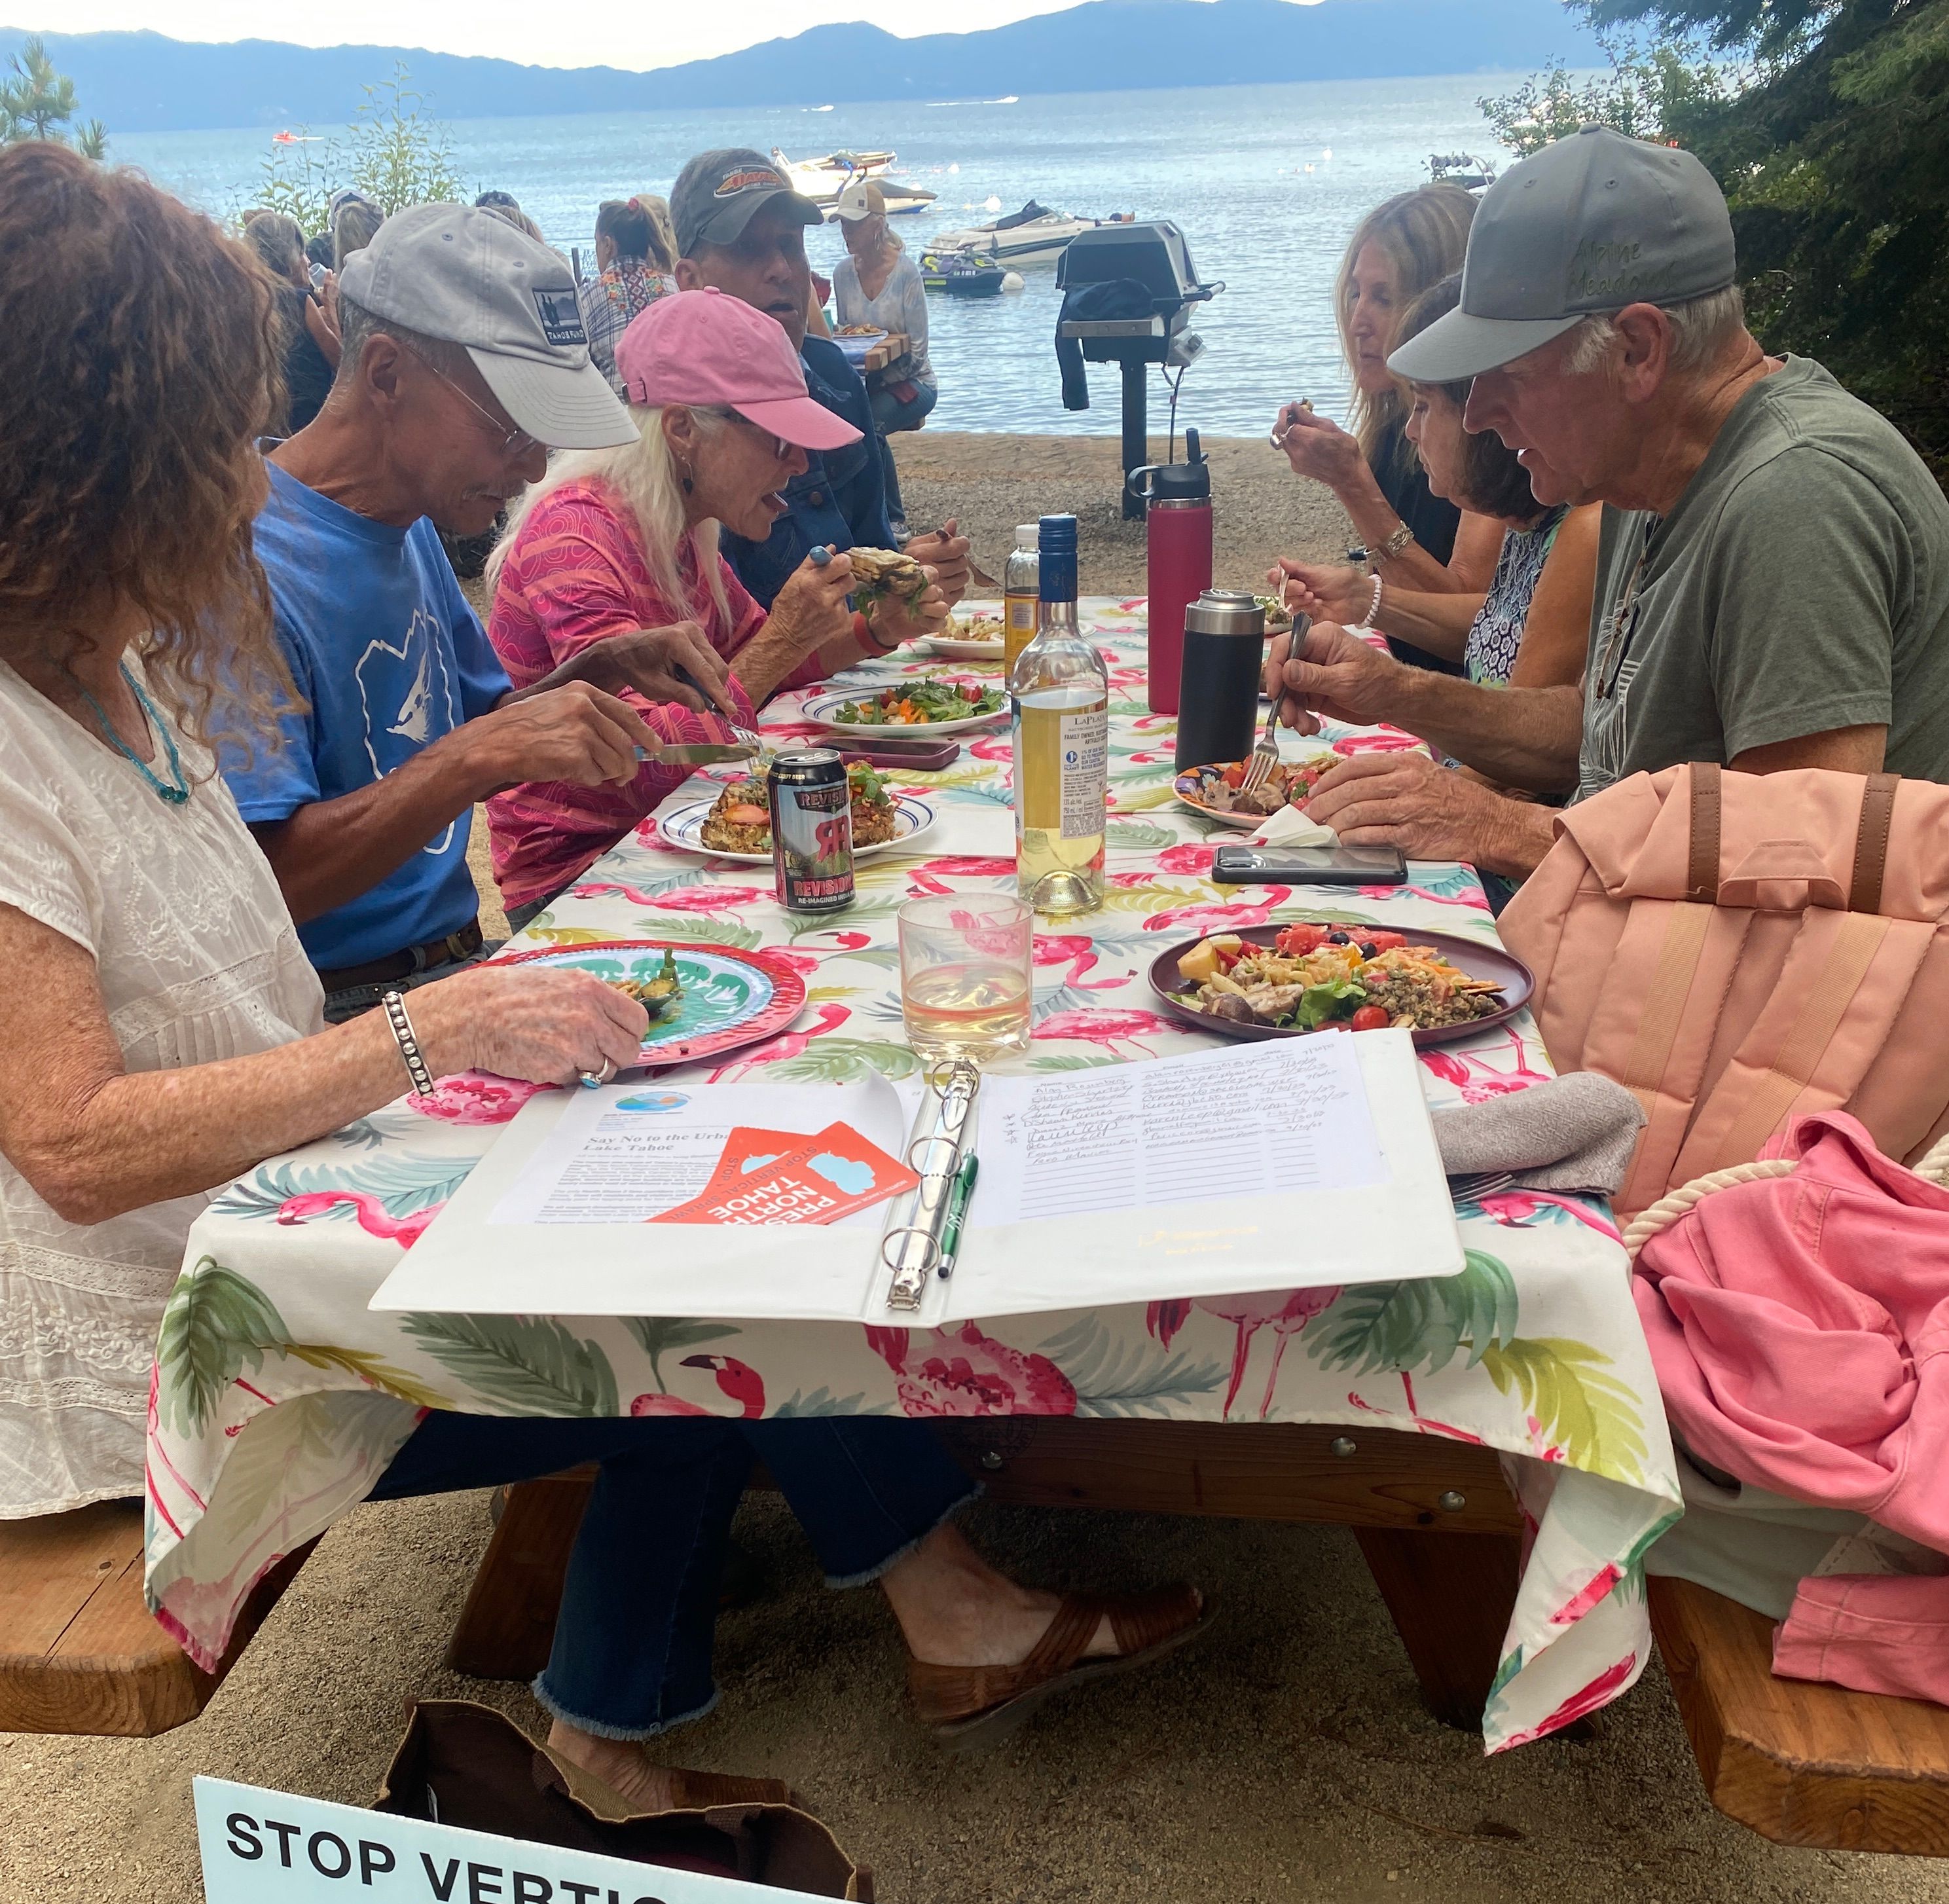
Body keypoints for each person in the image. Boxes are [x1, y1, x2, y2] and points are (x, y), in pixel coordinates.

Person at [0, 147, 1204, 1797]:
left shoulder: (122, 657)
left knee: (708, 1191)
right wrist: (424, 1031)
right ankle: (716, 1695)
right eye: (210, 439)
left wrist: (544, 730)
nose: (243, 474)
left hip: (278, 1205)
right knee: (695, 1279)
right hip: (198, 1329)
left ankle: (757, 1670)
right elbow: (67, 1143)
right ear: (87, 461)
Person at [1271, 127, 1949, 883]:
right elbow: (1599, 734)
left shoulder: (1799, 494)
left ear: (1638, 348)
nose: (1476, 414)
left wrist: (1494, 823)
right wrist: (1393, 689)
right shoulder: (1642, 475)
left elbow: (1801, 859)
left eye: (1505, 371)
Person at [219, 202, 738, 1024]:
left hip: (455, 965)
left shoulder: (409, 520)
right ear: (386, 374)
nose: (534, 463)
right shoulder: (243, 566)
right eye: (512, 426)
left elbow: (487, 729)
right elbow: (263, 882)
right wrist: (473, 755)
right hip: (343, 1011)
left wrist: (590, 672)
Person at [486, 289, 939, 920]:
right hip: (580, 872)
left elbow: (760, 670)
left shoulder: (681, 527)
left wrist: (878, 628)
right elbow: (648, 759)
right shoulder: (574, 539)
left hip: (672, 833)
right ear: (682, 430)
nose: (803, 462)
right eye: (779, 440)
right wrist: (784, 636)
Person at [669, 145, 970, 613]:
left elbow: (871, 551)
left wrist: (908, 573)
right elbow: (720, 644)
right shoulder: (677, 422)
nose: (783, 269)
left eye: (791, 244)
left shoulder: (837, 380)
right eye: (749, 249)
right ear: (689, 279)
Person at [1278, 274, 1599, 703]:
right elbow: (1491, 621)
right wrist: (1363, 598)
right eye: (1354, 293)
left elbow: (1525, 742)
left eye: (1424, 406)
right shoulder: (1530, 526)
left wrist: (1391, 691)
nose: (1412, 430)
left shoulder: (1582, 528)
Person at [1269, 185, 1499, 673]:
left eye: (1383, 298)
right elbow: (1398, 613)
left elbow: (1475, 636)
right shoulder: (1395, 428)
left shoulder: (1495, 434)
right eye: (1356, 293)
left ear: (1439, 307)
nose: (1357, 322)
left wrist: (1353, 485)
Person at [831, 175, 935, 532]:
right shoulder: (842, 273)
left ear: (876, 226)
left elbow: (918, 350)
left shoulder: (906, 272)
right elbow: (846, 337)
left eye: (853, 225)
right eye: (843, 224)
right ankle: (854, 514)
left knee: (869, 426)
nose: (846, 232)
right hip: (865, 383)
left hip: (913, 383)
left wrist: (879, 373)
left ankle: (894, 518)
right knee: (840, 423)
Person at [238, 205, 337, 435]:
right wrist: (331, 306)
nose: (307, 260)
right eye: (301, 253)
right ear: (288, 258)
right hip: (311, 422)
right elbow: (342, 364)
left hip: (267, 425)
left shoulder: (244, 304)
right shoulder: (300, 301)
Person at [581, 196, 676, 395]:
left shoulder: (587, 296)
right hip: (672, 403)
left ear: (608, 245)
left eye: (596, 242)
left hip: (616, 408)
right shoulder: (672, 287)